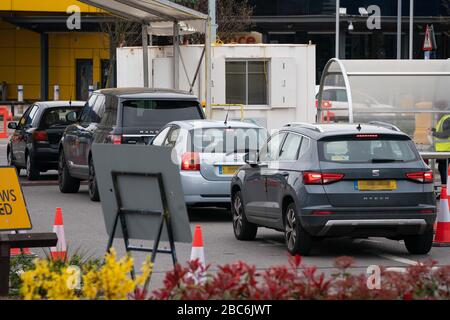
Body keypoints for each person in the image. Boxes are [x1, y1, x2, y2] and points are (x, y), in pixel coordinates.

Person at [431, 113, 450, 184]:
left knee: (444, 170)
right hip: (444, 151)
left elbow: (446, 134)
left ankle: (446, 188)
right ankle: (445, 188)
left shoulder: (447, 119)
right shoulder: (444, 119)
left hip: (446, 151)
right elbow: (442, 132)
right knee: (443, 169)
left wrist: (433, 133)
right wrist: (434, 130)